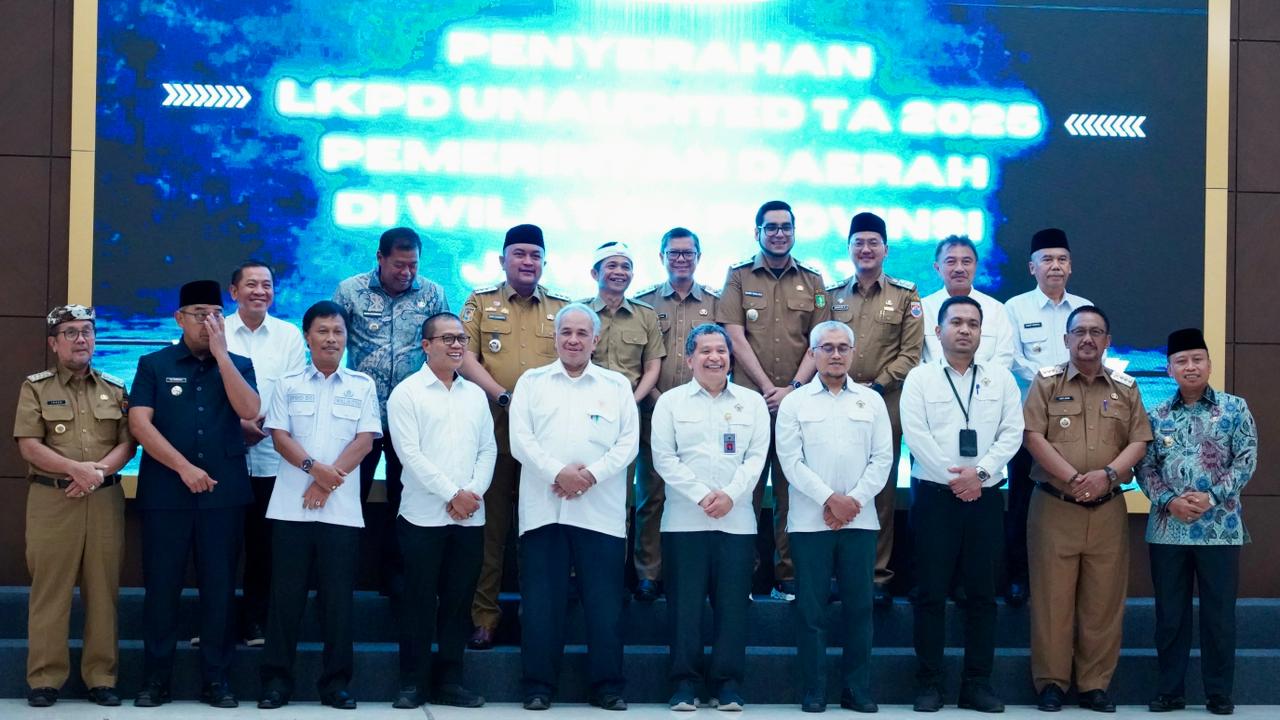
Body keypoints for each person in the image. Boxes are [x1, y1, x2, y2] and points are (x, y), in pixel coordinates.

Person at [128, 280, 260, 708]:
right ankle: (155, 680)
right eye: (199, 314)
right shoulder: (154, 364)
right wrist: (183, 467)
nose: (209, 322)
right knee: (162, 588)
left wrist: (222, 356)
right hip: (167, 494)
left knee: (219, 589)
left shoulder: (238, 363)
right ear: (179, 319)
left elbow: (250, 410)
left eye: (216, 315)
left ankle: (216, 680)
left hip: (223, 496)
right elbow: (140, 424)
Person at [508, 303, 640, 711]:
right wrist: (558, 473)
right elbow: (520, 440)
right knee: (541, 604)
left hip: (600, 512)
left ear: (595, 340)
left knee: (604, 605)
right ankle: (537, 686)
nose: (573, 340)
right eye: (566, 332)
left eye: (583, 333)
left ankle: (608, 687)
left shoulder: (616, 386)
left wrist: (590, 476)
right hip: (544, 510)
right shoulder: (532, 382)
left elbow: (628, 443)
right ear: (555, 337)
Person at [1022, 305, 1152, 712]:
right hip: (1054, 506)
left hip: (1108, 508)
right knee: (1052, 601)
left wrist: (1107, 476)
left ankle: (1095, 685)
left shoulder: (1126, 388)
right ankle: (1051, 684)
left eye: (1096, 332)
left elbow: (1139, 440)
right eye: (1079, 332)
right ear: (1066, 339)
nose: (1087, 339)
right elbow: (1032, 436)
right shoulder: (1045, 382)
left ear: (1107, 341)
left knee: (1103, 603)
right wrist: (1075, 478)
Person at [256, 301, 381, 711]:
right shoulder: (288, 383)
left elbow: (365, 441)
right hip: (290, 510)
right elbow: (279, 437)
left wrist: (327, 483)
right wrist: (315, 470)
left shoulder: (362, 384)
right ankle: (276, 682)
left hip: (341, 513)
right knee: (284, 600)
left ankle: (336, 684)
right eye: (323, 331)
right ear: (307, 336)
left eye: (338, 331)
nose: (331, 339)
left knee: (338, 601)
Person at [900, 296, 1023, 713]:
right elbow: (915, 434)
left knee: (983, 595)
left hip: (985, 498)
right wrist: (956, 479)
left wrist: (980, 475)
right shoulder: (919, 379)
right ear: (938, 332)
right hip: (935, 498)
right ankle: (929, 684)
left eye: (973, 323)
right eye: (956, 322)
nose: (965, 329)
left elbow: (1012, 432)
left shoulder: (1000, 379)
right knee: (930, 593)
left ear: (981, 332)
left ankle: (977, 684)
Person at [13, 305, 136, 708]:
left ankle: (101, 678)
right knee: (50, 591)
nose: (80, 339)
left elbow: (127, 444)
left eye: (87, 332)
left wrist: (95, 474)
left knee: (103, 590)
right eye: (70, 333)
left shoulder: (115, 388)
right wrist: (75, 470)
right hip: (53, 500)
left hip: (103, 501)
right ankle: (45, 679)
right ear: (54, 343)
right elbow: (29, 445)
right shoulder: (36, 388)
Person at [457, 223, 570, 650]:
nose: (527, 262)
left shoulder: (561, 307)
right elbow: (464, 356)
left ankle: (534, 617)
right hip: (493, 433)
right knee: (491, 531)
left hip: (543, 442)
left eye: (535, 255)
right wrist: (502, 396)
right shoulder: (480, 302)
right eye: (519, 254)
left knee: (538, 532)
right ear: (502, 259)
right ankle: (484, 617)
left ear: (544, 262)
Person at [1137, 328, 1256, 716]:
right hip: (1167, 530)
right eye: (1182, 361)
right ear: (1169, 369)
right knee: (1170, 616)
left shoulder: (1235, 409)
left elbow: (1246, 459)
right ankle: (1170, 692)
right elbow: (1144, 467)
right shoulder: (1156, 415)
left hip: (1220, 529)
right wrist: (1169, 501)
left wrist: (1212, 497)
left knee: (1219, 617)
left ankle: (1218, 693)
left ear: (1209, 363)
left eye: (1197, 359)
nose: (1190, 367)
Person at [776, 321, 893, 714]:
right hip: (810, 524)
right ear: (812, 355)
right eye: (827, 347)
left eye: (843, 347)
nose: (836, 354)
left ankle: (857, 690)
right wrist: (829, 499)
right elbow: (790, 462)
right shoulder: (794, 403)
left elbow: (883, 459)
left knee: (859, 609)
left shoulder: (872, 402)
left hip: (859, 522)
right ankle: (814, 690)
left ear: (853, 353)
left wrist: (851, 501)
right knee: (812, 611)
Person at [651, 323, 768, 711]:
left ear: (730, 358)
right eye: (705, 351)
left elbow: (756, 457)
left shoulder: (752, 403)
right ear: (689, 359)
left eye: (721, 351)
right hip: (684, 522)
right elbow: (664, 459)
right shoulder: (671, 402)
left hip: (737, 523)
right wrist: (703, 496)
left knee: (732, 608)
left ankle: (727, 684)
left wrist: (731, 495)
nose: (714, 357)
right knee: (684, 608)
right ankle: (684, 684)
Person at [716, 200, 826, 600]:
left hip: (798, 402)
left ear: (794, 231)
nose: (779, 233)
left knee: (790, 491)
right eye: (771, 227)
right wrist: (767, 388)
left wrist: (792, 390)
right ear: (757, 232)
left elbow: (819, 341)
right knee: (742, 488)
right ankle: (740, 575)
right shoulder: (739, 275)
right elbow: (733, 334)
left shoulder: (813, 280)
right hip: (748, 403)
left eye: (785, 227)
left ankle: (788, 575)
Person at [387, 312, 495, 710]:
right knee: (418, 600)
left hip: (469, 517)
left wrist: (472, 493)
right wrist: (452, 493)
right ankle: (412, 683)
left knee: (458, 601)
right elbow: (409, 454)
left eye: (461, 339)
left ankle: (451, 681)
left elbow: (488, 449)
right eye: (447, 338)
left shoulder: (474, 395)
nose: (456, 345)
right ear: (426, 345)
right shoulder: (407, 393)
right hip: (422, 517)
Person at [331, 226, 448, 594]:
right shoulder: (350, 290)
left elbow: (444, 347)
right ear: (380, 258)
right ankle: (341, 578)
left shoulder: (433, 294)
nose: (406, 272)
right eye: (399, 264)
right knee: (348, 495)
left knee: (406, 499)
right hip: (359, 418)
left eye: (413, 265)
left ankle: (397, 580)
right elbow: (331, 342)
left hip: (412, 418)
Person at [819, 211, 923, 607]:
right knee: (833, 484)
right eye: (858, 243)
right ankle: (833, 574)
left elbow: (910, 354)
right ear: (848, 249)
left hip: (883, 402)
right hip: (832, 400)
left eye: (873, 243)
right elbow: (820, 344)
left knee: (879, 491)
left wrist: (874, 387)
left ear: (885, 249)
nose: (866, 249)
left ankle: (876, 576)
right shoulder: (830, 295)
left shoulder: (906, 295)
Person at [1001, 228, 1091, 606]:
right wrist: (1051, 377)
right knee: (1023, 500)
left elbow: (1093, 355)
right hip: (1031, 424)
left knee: (1070, 498)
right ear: (1032, 267)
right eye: (1047, 260)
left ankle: (1067, 575)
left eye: (1062, 260)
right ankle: (1019, 576)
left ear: (1070, 267)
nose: (1055, 266)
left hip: (1076, 425)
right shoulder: (1014, 308)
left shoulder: (1084, 308)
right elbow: (1009, 358)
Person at [633, 227, 719, 603]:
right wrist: (660, 402)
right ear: (662, 257)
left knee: (701, 493)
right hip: (654, 412)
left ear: (698, 257)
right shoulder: (644, 303)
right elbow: (640, 360)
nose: (681, 259)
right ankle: (648, 574)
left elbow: (724, 356)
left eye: (688, 253)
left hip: (707, 418)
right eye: (674, 253)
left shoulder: (717, 303)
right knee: (652, 495)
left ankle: (697, 576)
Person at [224, 260, 307, 646]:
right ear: (234, 291)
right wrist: (238, 426)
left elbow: (293, 390)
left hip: (273, 455)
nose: (260, 291)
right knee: (221, 546)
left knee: (264, 546)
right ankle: (217, 623)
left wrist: (263, 425)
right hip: (225, 456)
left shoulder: (288, 335)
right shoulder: (216, 330)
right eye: (251, 284)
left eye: (267, 285)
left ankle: (257, 621)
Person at [919, 236, 1014, 369]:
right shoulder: (923, 309)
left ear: (976, 266)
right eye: (951, 262)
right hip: (933, 382)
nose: (959, 268)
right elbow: (915, 358)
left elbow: (1004, 356)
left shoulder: (996, 309)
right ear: (937, 268)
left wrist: (977, 380)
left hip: (986, 382)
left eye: (966, 262)